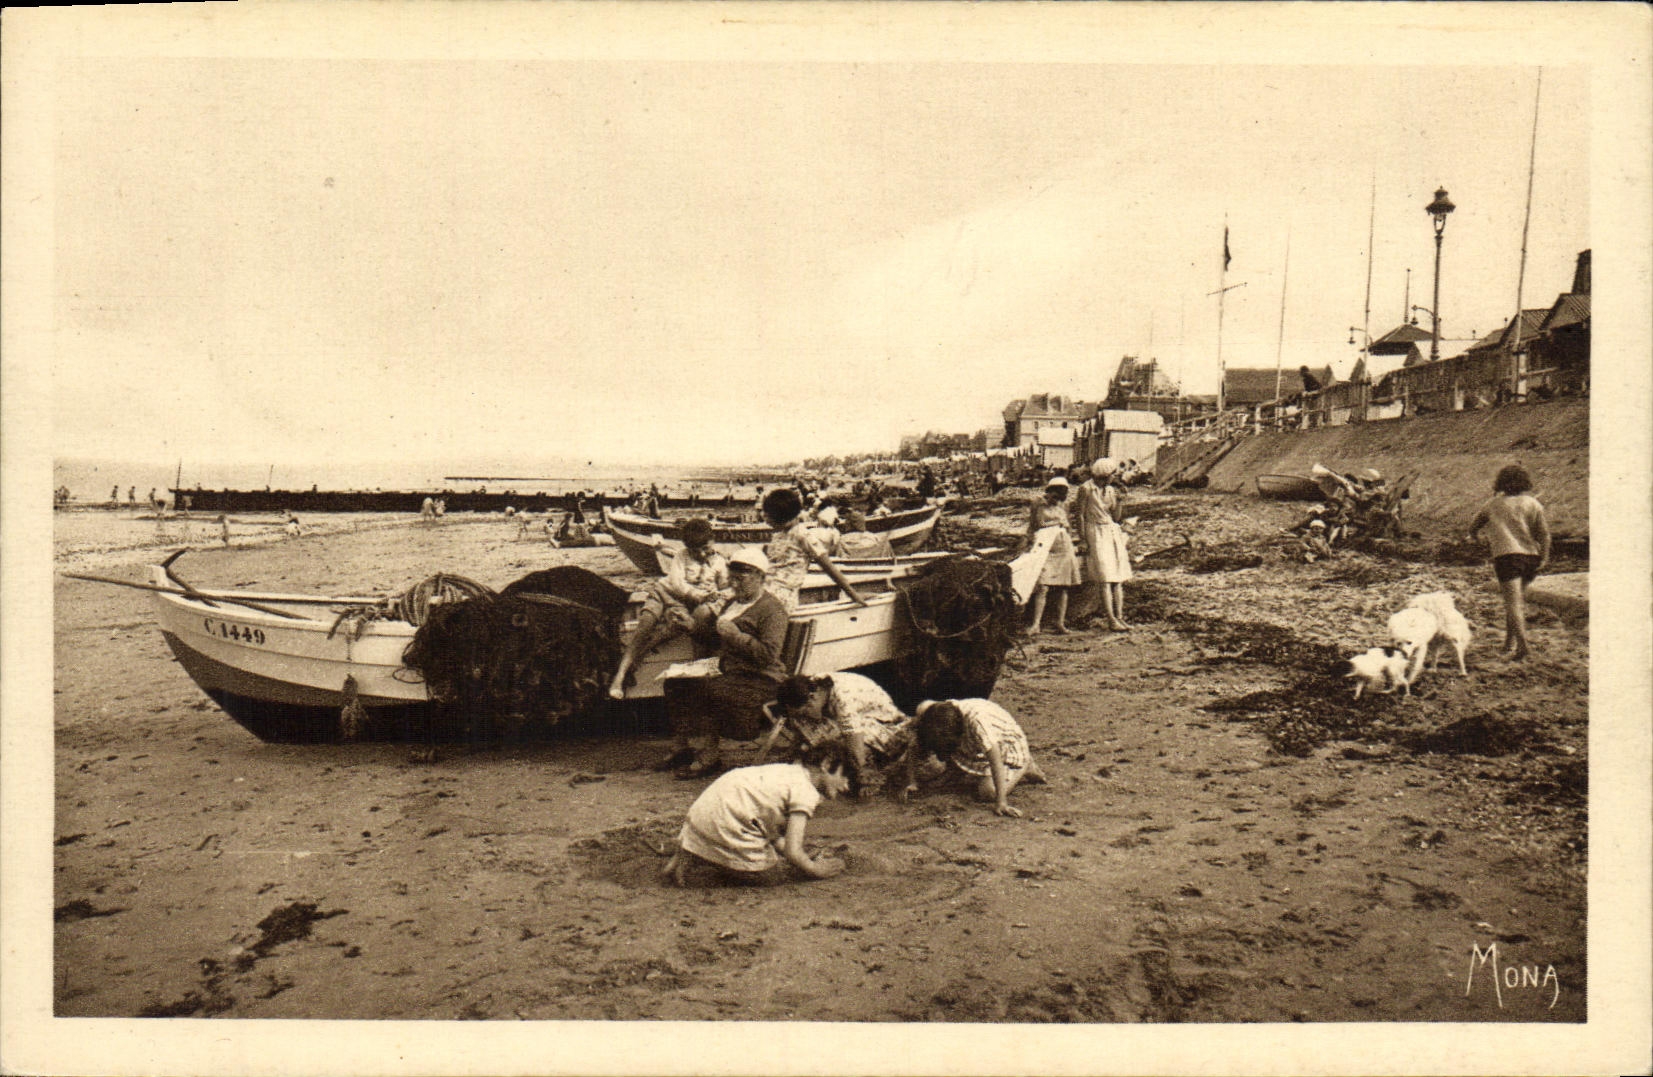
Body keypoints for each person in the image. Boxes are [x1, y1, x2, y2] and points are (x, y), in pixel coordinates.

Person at [657, 546, 790, 779]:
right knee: (675, 682)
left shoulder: (772, 610)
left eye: (741, 579)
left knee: (706, 689)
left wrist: (736, 636)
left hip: (762, 678)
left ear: (760, 577)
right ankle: (682, 748)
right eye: (732, 579)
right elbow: (715, 638)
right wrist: (690, 627)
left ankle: (709, 756)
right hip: (733, 672)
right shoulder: (733, 604)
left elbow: (768, 655)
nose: (734, 585)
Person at [661, 754, 849, 887]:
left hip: (702, 815)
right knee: (770, 877)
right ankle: (707, 865)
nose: (847, 786)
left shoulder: (790, 771)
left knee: (764, 841)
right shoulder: (806, 792)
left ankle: (693, 850)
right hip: (725, 819)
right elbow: (793, 851)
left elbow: (769, 828)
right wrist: (815, 869)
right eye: (844, 776)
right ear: (826, 764)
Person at [610, 518, 731, 700]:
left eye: (705, 549)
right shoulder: (681, 556)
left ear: (712, 540)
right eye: (695, 551)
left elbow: (723, 588)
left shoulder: (720, 562)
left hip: (680, 603)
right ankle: (618, 678)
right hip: (663, 592)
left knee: (677, 625)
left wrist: (717, 594)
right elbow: (677, 583)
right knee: (645, 627)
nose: (702, 555)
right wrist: (699, 595)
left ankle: (637, 658)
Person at [772, 672, 914, 797]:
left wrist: (864, 774)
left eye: (804, 711)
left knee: (852, 753)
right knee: (819, 739)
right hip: (852, 722)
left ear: (812, 698)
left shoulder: (842, 700)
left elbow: (855, 744)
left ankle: (873, 772)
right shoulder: (809, 687)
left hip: (887, 725)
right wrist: (794, 752)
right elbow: (801, 728)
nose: (803, 717)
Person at [903, 699, 1046, 818]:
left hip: (1006, 742)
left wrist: (1001, 801)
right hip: (974, 743)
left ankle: (1025, 766)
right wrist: (912, 782)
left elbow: (994, 757)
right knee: (935, 777)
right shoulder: (931, 713)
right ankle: (958, 770)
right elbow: (914, 745)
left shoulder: (978, 723)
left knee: (988, 792)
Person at [1468, 464, 1551, 661]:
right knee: (1516, 602)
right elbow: (1544, 535)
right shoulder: (1532, 503)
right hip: (1531, 557)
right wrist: (1545, 557)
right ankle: (1509, 643)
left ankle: (1523, 646)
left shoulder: (1493, 504)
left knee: (1512, 604)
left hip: (1507, 557)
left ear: (1501, 483)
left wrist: (1478, 539)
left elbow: (1473, 527)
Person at [761, 488, 867, 613]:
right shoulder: (778, 536)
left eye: (769, 516)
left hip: (780, 596)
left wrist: (854, 595)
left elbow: (828, 567)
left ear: (781, 515)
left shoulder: (802, 535)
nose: (765, 519)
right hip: (763, 590)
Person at [1073, 459, 1132, 631]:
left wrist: (1120, 501)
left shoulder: (1110, 490)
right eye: (1112, 474)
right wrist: (1083, 539)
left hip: (1111, 532)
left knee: (1118, 578)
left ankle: (1120, 617)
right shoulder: (1086, 488)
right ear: (1105, 474)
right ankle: (1111, 619)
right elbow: (1080, 515)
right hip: (1095, 532)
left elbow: (1116, 517)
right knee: (1105, 577)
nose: (1115, 477)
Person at [1025, 476, 1080, 635]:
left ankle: (1060, 622)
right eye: (1054, 497)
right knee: (1042, 585)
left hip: (1063, 545)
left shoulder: (1065, 504)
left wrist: (1071, 541)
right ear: (1049, 492)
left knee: (1063, 586)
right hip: (1045, 545)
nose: (1056, 501)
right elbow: (1036, 524)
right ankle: (1036, 624)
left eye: (1060, 498)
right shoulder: (1038, 503)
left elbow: (1067, 524)